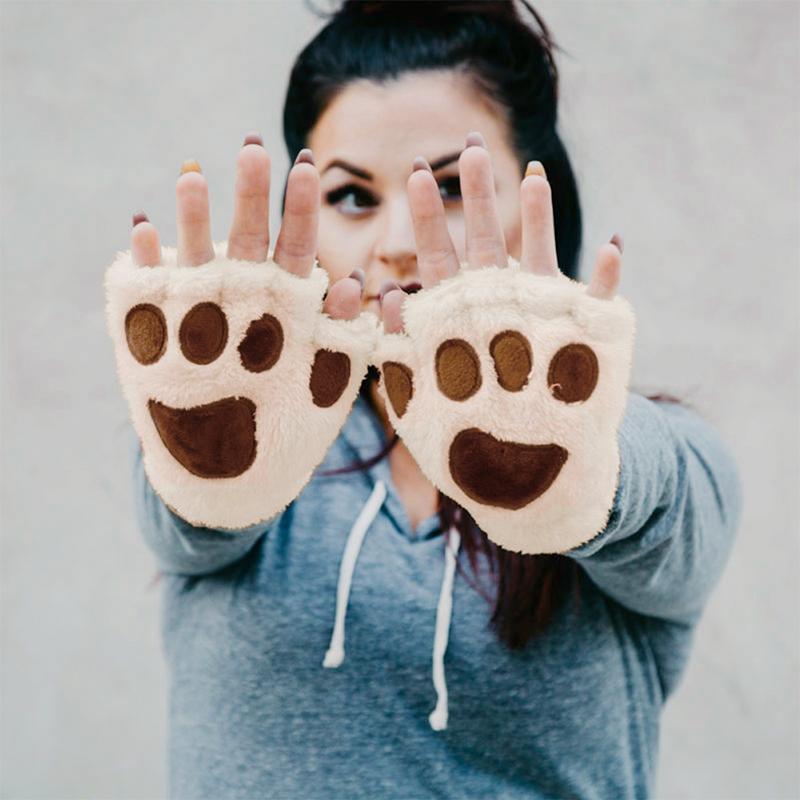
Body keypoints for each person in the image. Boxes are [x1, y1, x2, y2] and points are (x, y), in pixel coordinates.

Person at [123, 2, 743, 797]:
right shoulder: (249, 433)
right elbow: (181, 513)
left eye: (450, 186)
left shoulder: (664, 458)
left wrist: (560, 447)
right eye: (350, 196)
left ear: (536, 200)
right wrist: (215, 450)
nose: (398, 241)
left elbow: (654, 496)